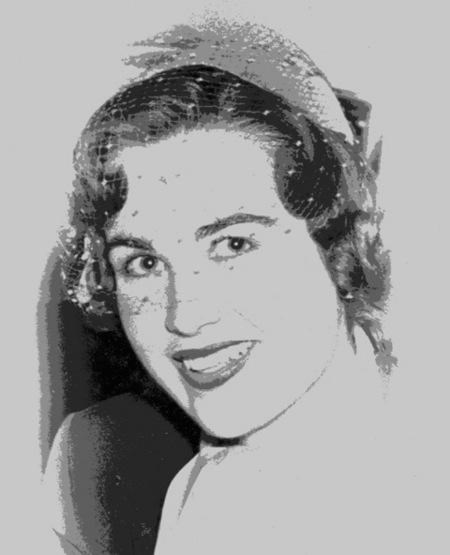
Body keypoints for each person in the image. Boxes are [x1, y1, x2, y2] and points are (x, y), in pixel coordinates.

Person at [44, 17, 395, 554]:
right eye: (143, 263)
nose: (184, 316)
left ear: (341, 242)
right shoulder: (130, 480)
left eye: (233, 244)